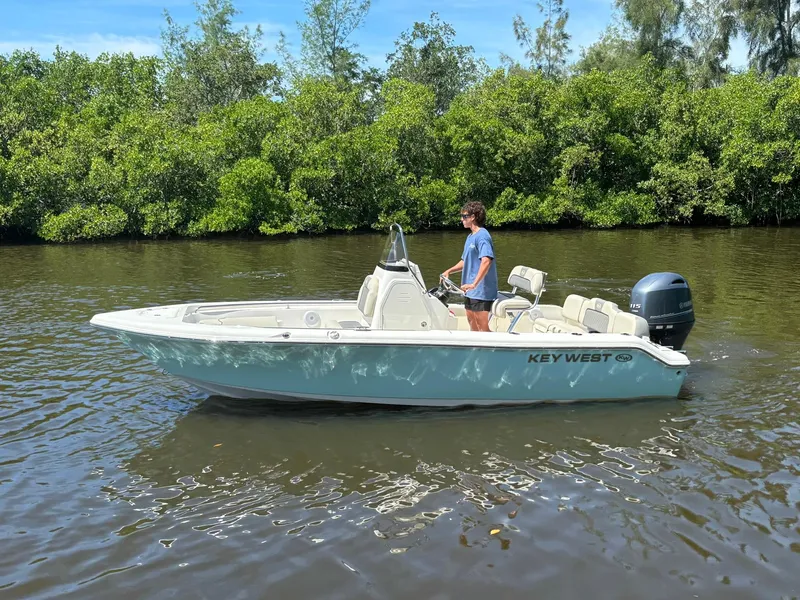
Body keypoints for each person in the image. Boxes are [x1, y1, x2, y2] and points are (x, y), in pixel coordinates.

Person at [441, 201, 499, 332]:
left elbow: (486, 261)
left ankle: (491, 344)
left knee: (481, 326)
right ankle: (475, 344)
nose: (461, 219)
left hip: (481, 290)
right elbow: (465, 261)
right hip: (469, 289)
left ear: (473, 217)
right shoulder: (470, 237)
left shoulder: (483, 236)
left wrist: (474, 284)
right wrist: (449, 271)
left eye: (464, 216)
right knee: (471, 321)